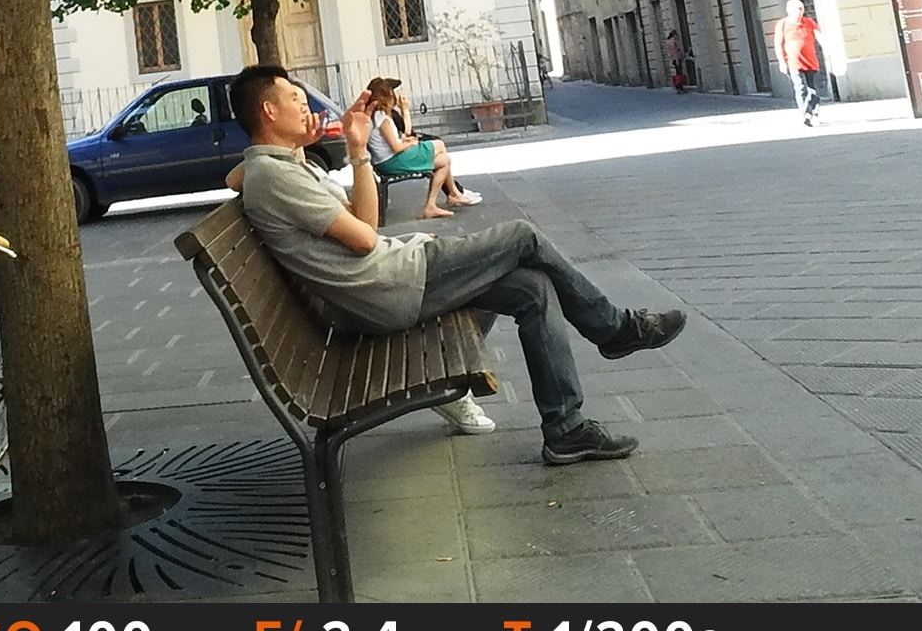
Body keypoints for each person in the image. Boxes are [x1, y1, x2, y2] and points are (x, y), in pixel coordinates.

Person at [229, 65, 687, 464]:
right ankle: (616, 329)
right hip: (388, 287)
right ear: (268, 111)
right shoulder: (275, 175)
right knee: (522, 236)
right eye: (295, 99)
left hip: (391, 277)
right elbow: (366, 236)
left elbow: (246, 177)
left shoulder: (280, 167)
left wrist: (342, 146)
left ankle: (566, 430)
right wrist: (355, 152)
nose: (307, 106)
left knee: (533, 289)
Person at [366, 76, 480, 219]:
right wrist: (410, 143)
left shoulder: (379, 115)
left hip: (389, 159)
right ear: (388, 94)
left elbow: (389, 140)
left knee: (444, 160)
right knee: (439, 145)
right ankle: (453, 194)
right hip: (392, 161)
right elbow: (395, 147)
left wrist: (404, 139)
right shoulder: (382, 118)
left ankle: (437, 203)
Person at [772, 0, 823, 126]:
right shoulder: (783, 24)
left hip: (810, 61)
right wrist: (782, 62)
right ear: (789, 10)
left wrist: (828, 49)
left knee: (813, 90)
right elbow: (778, 44)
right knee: (800, 88)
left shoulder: (809, 22)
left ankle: (814, 113)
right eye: (797, 9)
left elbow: (819, 36)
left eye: (801, 9)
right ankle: (806, 114)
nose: (799, 12)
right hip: (794, 63)